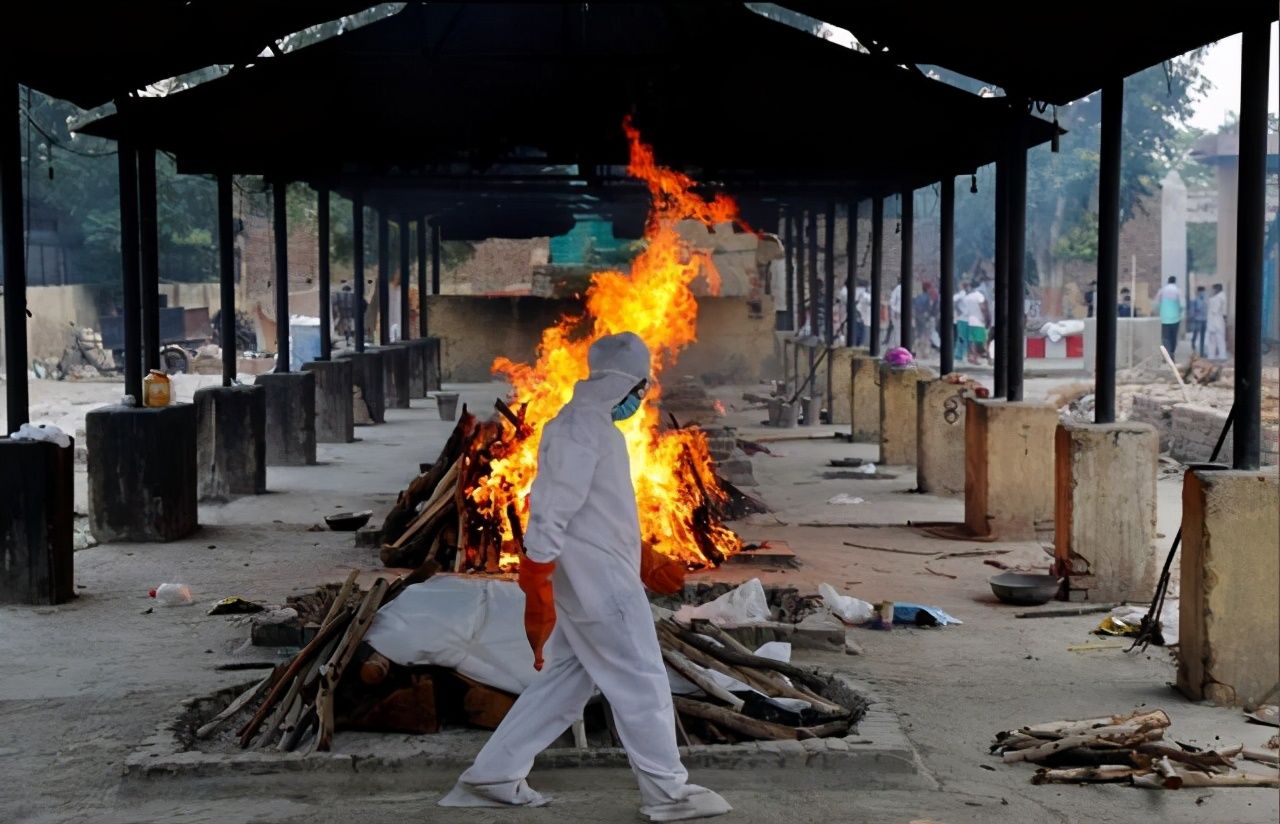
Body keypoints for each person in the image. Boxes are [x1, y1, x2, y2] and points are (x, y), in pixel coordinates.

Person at [440, 332, 732, 823]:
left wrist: (642, 554)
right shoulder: (583, 430)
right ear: (628, 384)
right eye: (642, 389)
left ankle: (491, 776)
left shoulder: (591, 426)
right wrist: (536, 574)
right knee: (642, 683)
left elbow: (594, 509)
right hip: (601, 586)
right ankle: (668, 794)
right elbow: (552, 509)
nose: (642, 399)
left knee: (565, 684)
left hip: (596, 577)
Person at [960, 279, 989, 364]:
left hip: (970, 320)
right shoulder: (979, 296)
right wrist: (985, 318)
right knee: (981, 341)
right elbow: (983, 308)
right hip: (979, 321)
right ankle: (977, 358)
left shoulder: (968, 297)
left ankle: (971, 357)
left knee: (972, 340)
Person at [1158, 276, 1182, 356]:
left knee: (1165, 337)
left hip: (1164, 318)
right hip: (1175, 319)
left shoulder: (1162, 291)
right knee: (1173, 337)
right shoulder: (1178, 291)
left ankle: (1166, 353)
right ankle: (1172, 352)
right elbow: (1182, 305)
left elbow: (1157, 304)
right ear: (1175, 281)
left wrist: (1159, 312)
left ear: (1168, 281)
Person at [913, 281, 937, 355]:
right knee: (926, 334)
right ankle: (925, 352)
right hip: (924, 317)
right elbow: (928, 309)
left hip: (917, 316)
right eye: (929, 288)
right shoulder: (928, 297)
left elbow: (914, 306)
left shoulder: (918, 296)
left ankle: (915, 349)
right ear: (927, 288)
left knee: (919, 333)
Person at [1207, 283, 1228, 360]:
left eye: (1213, 289)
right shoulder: (1220, 297)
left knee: (1216, 340)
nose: (1212, 291)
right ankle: (1217, 356)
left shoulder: (1217, 298)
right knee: (1218, 340)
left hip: (1215, 322)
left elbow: (1214, 310)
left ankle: (1217, 356)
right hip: (1217, 322)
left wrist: (1210, 299)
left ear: (1216, 289)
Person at [1189, 286, 1208, 357]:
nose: (1203, 293)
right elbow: (1192, 312)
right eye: (1201, 292)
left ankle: (1202, 353)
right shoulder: (1195, 300)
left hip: (1204, 320)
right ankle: (1193, 344)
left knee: (1203, 337)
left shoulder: (1205, 300)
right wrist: (1195, 314)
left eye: (1203, 292)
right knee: (1195, 335)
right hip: (1197, 320)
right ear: (1198, 292)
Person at [854, 280, 871, 347]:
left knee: (859, 334)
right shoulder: (865, 294)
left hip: (862, 317)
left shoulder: (864, 294)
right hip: (863, 318)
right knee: (863, 335)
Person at [953, 281, 969, 354]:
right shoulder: (963, 294)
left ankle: (960, 354)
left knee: (962, 337)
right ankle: (960, 354)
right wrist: (958, 309)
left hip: (963, 318)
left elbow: (953, 300)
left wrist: (957, 309)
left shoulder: (963, 294)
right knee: (963, 337)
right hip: (964, 318)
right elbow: (954, 301)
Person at [884, 281, 902, 348]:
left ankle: (892, 346)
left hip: (898, 313)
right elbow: (892, 302)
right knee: (897, 330)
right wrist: (896, 311)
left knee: (896, 330)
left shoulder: (898, 289)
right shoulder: (898, 289)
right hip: (897, 313)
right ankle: (897, 346)